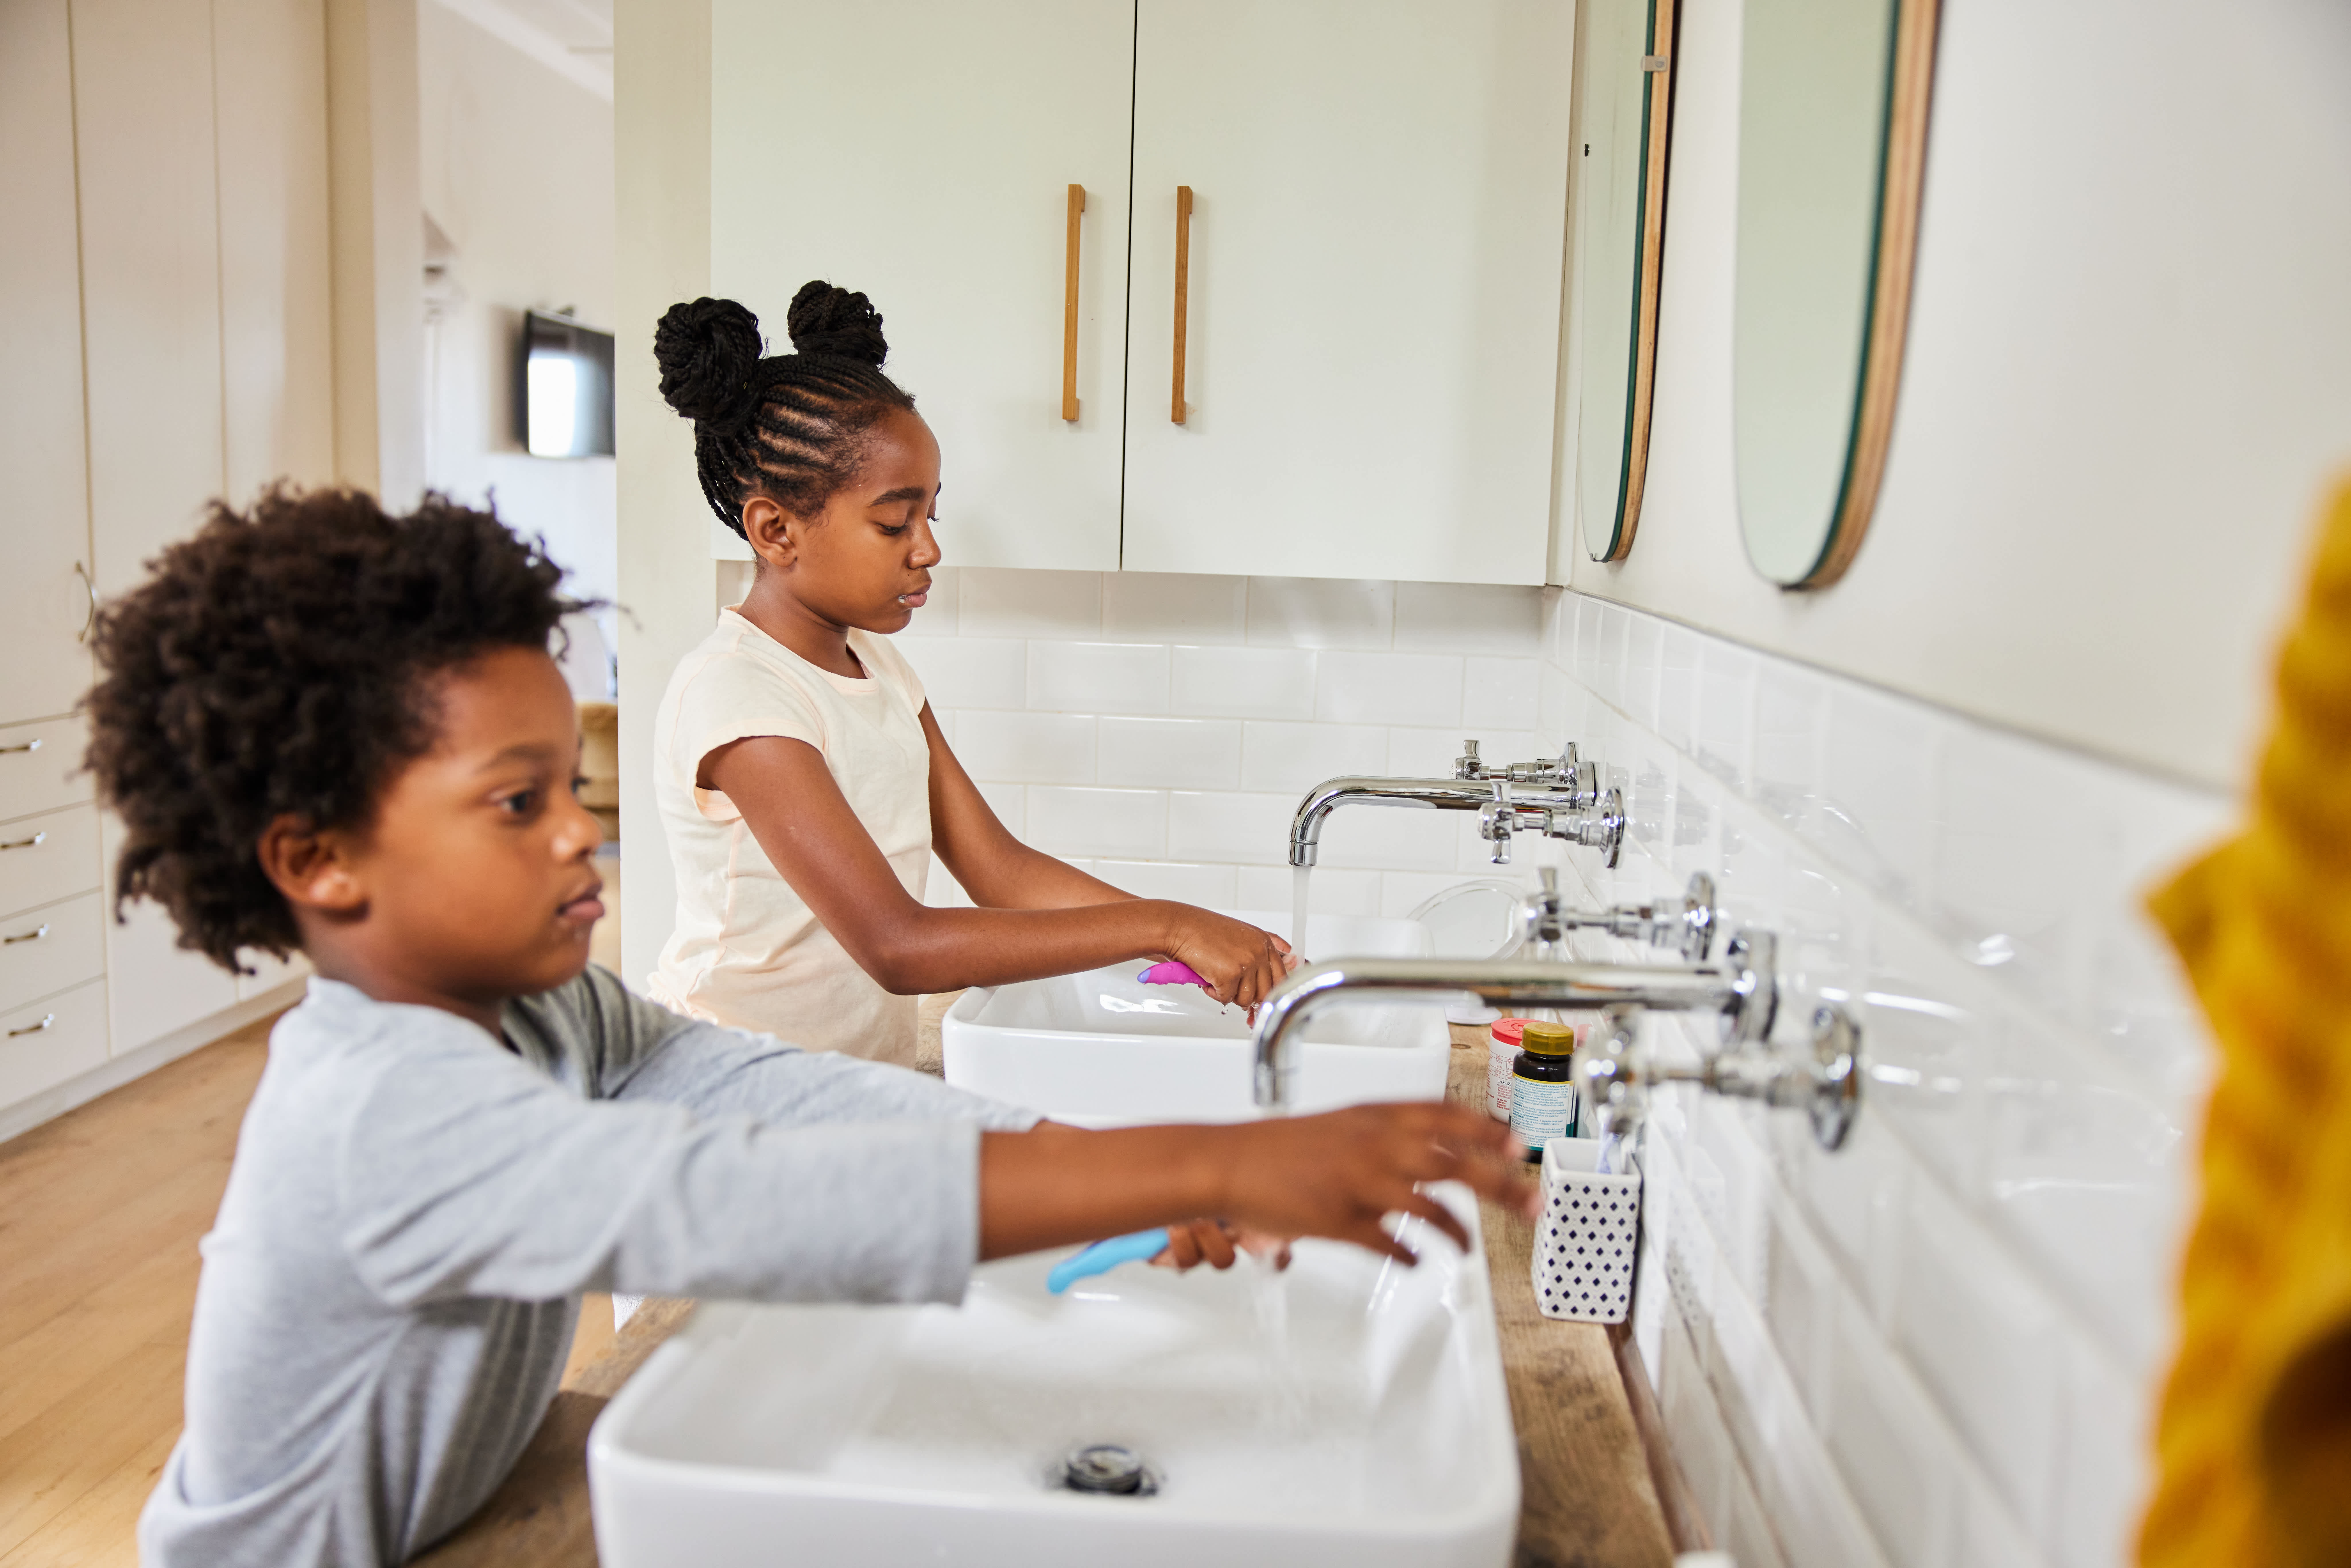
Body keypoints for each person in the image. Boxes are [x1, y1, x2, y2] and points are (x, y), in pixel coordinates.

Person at [99, 489, 1533, 1567]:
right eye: (517, 803)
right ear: (316, 860)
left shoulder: (539, 1012)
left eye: (569, 791)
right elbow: (725, 1201)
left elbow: (745, 1090)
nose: (581, 840)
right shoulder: (380, 1108)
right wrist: (1184, 1167)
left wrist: (1066, 1151)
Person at [646, 283, 1296, 1066]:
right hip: (724, 1085)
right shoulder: (740, 695)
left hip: (838, 1088)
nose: (928, 549)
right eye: (894, 522)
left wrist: (1202, 940)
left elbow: (998, 868)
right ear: (776, 529)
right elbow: (897, 945)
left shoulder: (879, 665)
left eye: (931, 515)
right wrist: (1168, 925)